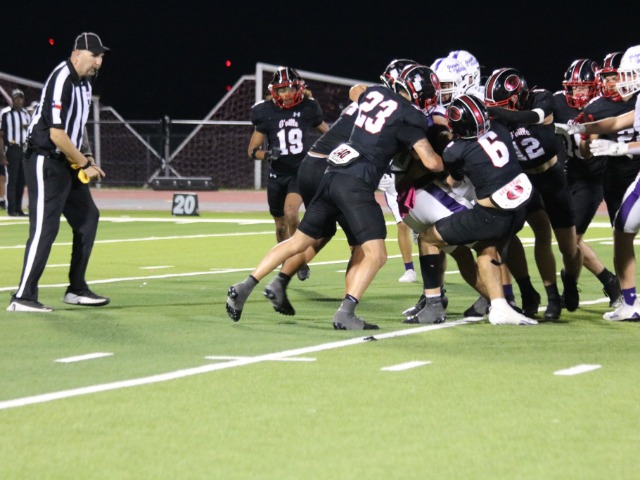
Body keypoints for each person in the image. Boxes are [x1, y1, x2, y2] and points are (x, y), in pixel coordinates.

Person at [227, 64, 445, 330]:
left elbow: (357, 92)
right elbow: (431, 162)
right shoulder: (410, 117)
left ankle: (245, 286)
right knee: (376, 254)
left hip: (331, 172)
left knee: (298, 241)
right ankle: (346, 312)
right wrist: (449, 157)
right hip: (356, 183)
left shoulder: (374, 94)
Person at [7, 32, 110, 313]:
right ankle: (23, 296)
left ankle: (76, 289)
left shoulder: (86, 83)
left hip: (66, 160)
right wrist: (85, 164)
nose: (99, 62)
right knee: (45, 227)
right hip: (44, 159)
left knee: (88, 218)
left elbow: (79, 124)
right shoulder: (62, 78)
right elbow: (56, 134)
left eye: (101, 57)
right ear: (77, 54)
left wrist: (87, 155)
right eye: (94, 56)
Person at [420, 94, 537, 325]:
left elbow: (454, 182)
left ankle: (434, 302)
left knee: (427, 238)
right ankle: (507, 303)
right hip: (520, 208)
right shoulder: (500, 127)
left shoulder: (454, 150)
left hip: (490, 216)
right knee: (487, 247)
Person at [485, 67, 583, 321]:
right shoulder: (498, 116)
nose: (499, 110)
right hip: (524, 180)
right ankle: (549, 296)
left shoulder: (540, 97)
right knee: (538, 232)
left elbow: (534, 116)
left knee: (569, 247)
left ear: (518, 96)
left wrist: (495, 111)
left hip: (552, 177)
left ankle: (570, 281)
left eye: (504, 104)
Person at [558, 44, 640, 320]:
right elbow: (617, 122)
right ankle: (628, 300)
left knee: (623, 231)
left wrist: (620, 148)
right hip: (616, 179)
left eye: (627, 74)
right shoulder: (613, 105)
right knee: (622, 231)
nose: (620, 81)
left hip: (629, 173)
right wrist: (583, 129)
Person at [247, 66, 329, 282]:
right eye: (282, 90)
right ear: (274, 92)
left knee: (291, 213)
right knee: (280, 224)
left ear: (299, 89)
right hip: (277, 175)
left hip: (300, 172)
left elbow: (328, 132)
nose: (287, 94)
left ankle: (299, 259)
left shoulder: (309, 107)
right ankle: (286, 260)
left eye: (290, 89)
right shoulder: (264, 111)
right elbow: (252, 151)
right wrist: (267, 154)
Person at [553, 58, 622, 307]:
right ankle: (609, 282)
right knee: (571, 241)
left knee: (571, 240)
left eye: (582, 87)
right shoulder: (558, 101)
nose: (577, 93)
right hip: (567, 175)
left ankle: (571, 285)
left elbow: (587, 152)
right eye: (573, 88)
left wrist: (584, 133)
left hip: (593, 179)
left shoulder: (603, 106)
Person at [0, 89, 30, 216]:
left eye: (20, 98)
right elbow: (1, 136)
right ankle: (11, 209)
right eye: (16, 98)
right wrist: (2, 155)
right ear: (12, 100)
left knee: (22, 180)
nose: (18, 100)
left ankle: (18, 208)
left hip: (24, 149)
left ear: (23, 100)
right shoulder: (6, 115)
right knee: (12, 180)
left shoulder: (26, 114)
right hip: (12, 148)